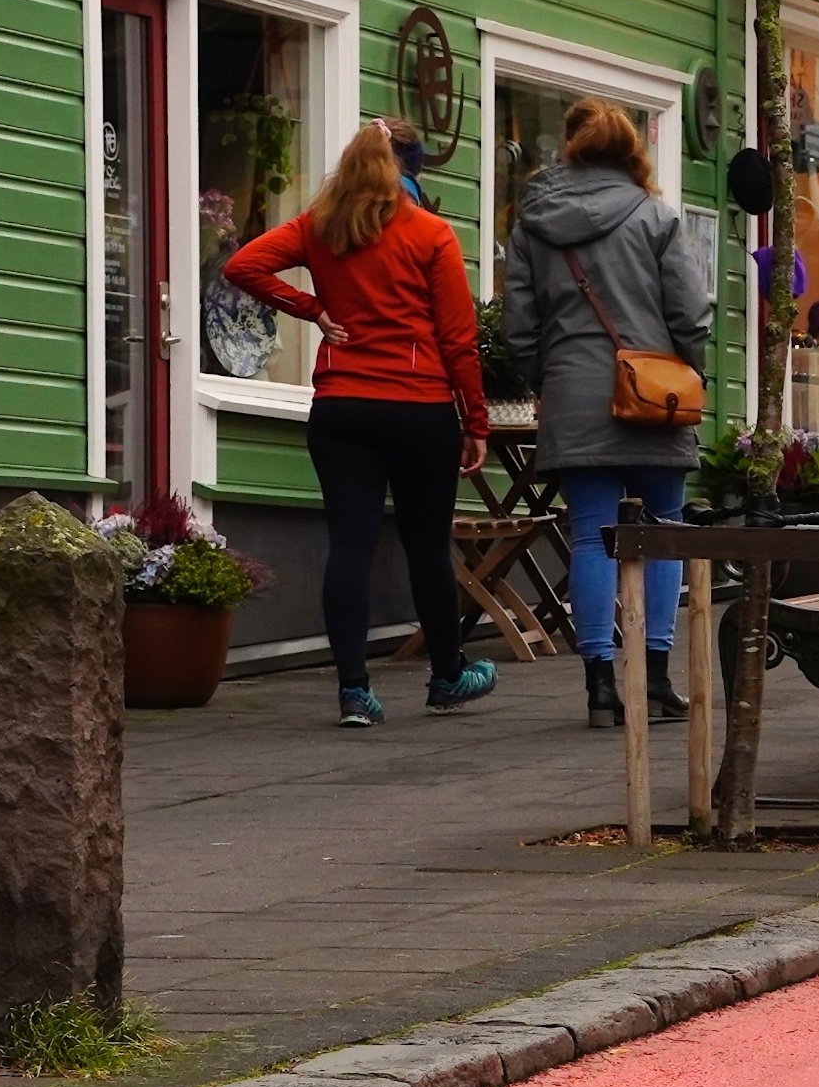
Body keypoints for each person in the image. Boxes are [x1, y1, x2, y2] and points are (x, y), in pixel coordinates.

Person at [225, 119, 494, 726]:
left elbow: (243, 265)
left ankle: (354, 692)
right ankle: (448, 678)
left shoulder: (321, 228)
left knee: (350, 542)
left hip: (342, 408)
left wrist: (313, 309)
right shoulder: (430, 234)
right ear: (406, 168)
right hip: (420, 408)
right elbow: (458, 338)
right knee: (427, 544)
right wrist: (476, 419)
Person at [503, 99, 716, 730]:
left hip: (573, 393)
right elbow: (690, 313)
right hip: (655, 395)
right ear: (630, 151)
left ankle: (599, 685)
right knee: (664, 530)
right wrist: (686, 371)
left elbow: (519, 325)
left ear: (568, 149)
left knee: (593, 538)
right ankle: (653, 678)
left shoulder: (532, 222)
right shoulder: (655, 217)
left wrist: (549, 377)